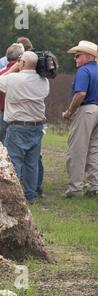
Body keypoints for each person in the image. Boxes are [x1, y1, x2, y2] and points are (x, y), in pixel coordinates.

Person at [0, 51, 50, 204]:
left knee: (14, 161)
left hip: (18, 126)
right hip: (37, 126)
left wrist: (13, 68)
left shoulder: (13, 79)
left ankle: (12, 196)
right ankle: (31, 195)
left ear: (23, 63)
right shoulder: (44, 81)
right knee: (32, 163)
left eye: (20, 60)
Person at [62, 41, 98, 198]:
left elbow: (81, 93)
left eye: (78, 55)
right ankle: (93, 187)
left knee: (77, 150)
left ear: (88, 57)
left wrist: (70, 111)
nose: (75, 59)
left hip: (86, 111)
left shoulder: (84, 71)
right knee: (94, 150)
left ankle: (75, 189)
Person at [0, 43, 25, 142]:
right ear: (21, 57)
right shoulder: (27, 74)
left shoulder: (0, 74)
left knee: (4, 148)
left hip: (5, 115)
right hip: (24, 116)